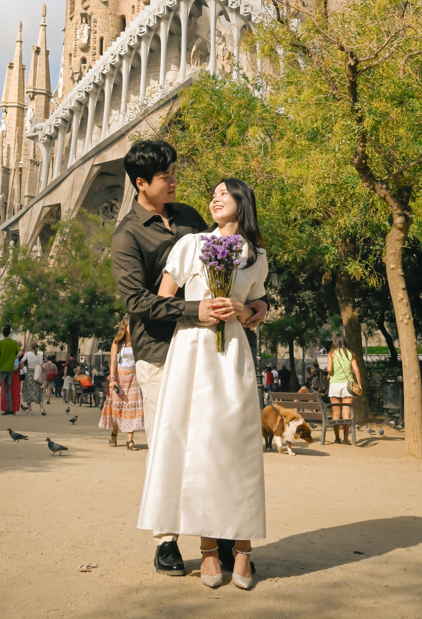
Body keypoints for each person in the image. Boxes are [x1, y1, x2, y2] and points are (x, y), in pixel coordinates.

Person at [111, 141, 268, 578]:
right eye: (166, 177)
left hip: (212, 352)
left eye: (174, 173)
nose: (175, 182)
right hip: (160, 349)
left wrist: (259, 305)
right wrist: (194, 310)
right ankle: (166, 540)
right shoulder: (127, 234)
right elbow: (137, 301)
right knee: (169, 442)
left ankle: (219, 533)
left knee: (212, 441)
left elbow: (234, 271)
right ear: (142, 183)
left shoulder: (190, 220)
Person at [99, 317, 144, 449]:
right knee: (117, 408)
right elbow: (113, 361)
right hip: (119, 378)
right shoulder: (118, 343)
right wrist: (112, 379)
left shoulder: (138, 342)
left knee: (132, 408)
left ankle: (130, 440)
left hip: (134, 378)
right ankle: (114, 433)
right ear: (125, 327)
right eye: (131, 324)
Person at [327, 336, 362, 444]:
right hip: (348, 385)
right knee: (346, 412)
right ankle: (346, 439)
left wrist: (329, 373)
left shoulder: (332, 353)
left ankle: (337, 438)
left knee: (336, 413)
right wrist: (359, 384)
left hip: (334, 385)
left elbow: (329, 369)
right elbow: (356, 370)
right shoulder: (350, 354)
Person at [0, 325, 21, 415]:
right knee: (7, 388)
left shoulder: (1, 343)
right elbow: (20, 352)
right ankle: (10, 408)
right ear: (9, 333)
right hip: (10, 368)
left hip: (2, 368)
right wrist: (14, 357)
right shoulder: (14, 343)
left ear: (3, 333)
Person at [20, 342, 47, 415]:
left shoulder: (27, 354)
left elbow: (21, 362)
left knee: (28, 391)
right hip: (36, 375)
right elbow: (41, 366)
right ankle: (41, 408)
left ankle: (30, 410)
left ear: (31, 347)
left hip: (29, 374)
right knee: (38, 391)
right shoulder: (40, 355)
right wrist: (41, 376)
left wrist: (20, 367)